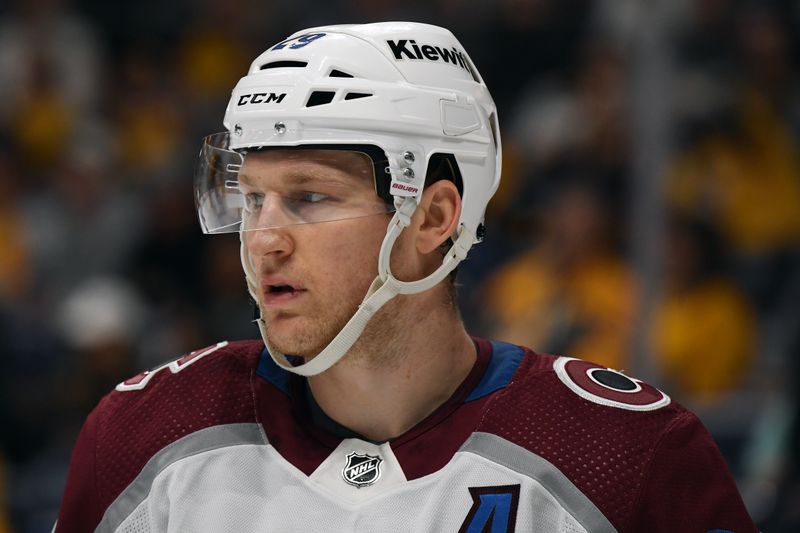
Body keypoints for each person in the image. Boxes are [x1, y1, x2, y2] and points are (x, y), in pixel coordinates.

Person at [55, 22, 757, 532]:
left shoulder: (625, 458)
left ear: (434, 216)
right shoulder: (148, 432)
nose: (263, 238)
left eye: (310, 196)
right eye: (252, 197)